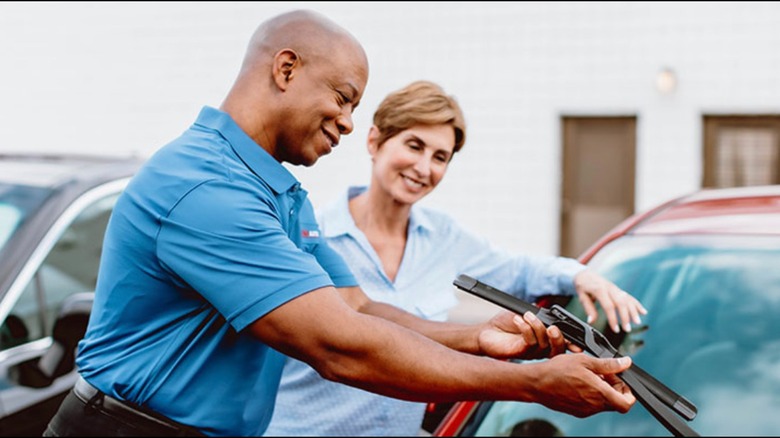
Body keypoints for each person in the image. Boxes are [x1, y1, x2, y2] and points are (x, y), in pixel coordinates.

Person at [44, 10, 639, 438]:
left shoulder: (279, 191)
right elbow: (337, 345)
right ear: (285, 69)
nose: (350, 123)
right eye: (344, 97)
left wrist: (476, 339)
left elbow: (357, 308)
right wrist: (534, 384)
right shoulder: (205, 189)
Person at [264, 80, 648, 436]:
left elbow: (519, 270)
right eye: (414, 146)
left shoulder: (444, 238)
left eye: (440, 157)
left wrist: (582, 276)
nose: (424, 168)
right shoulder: (310, 234)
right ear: (374, 141)